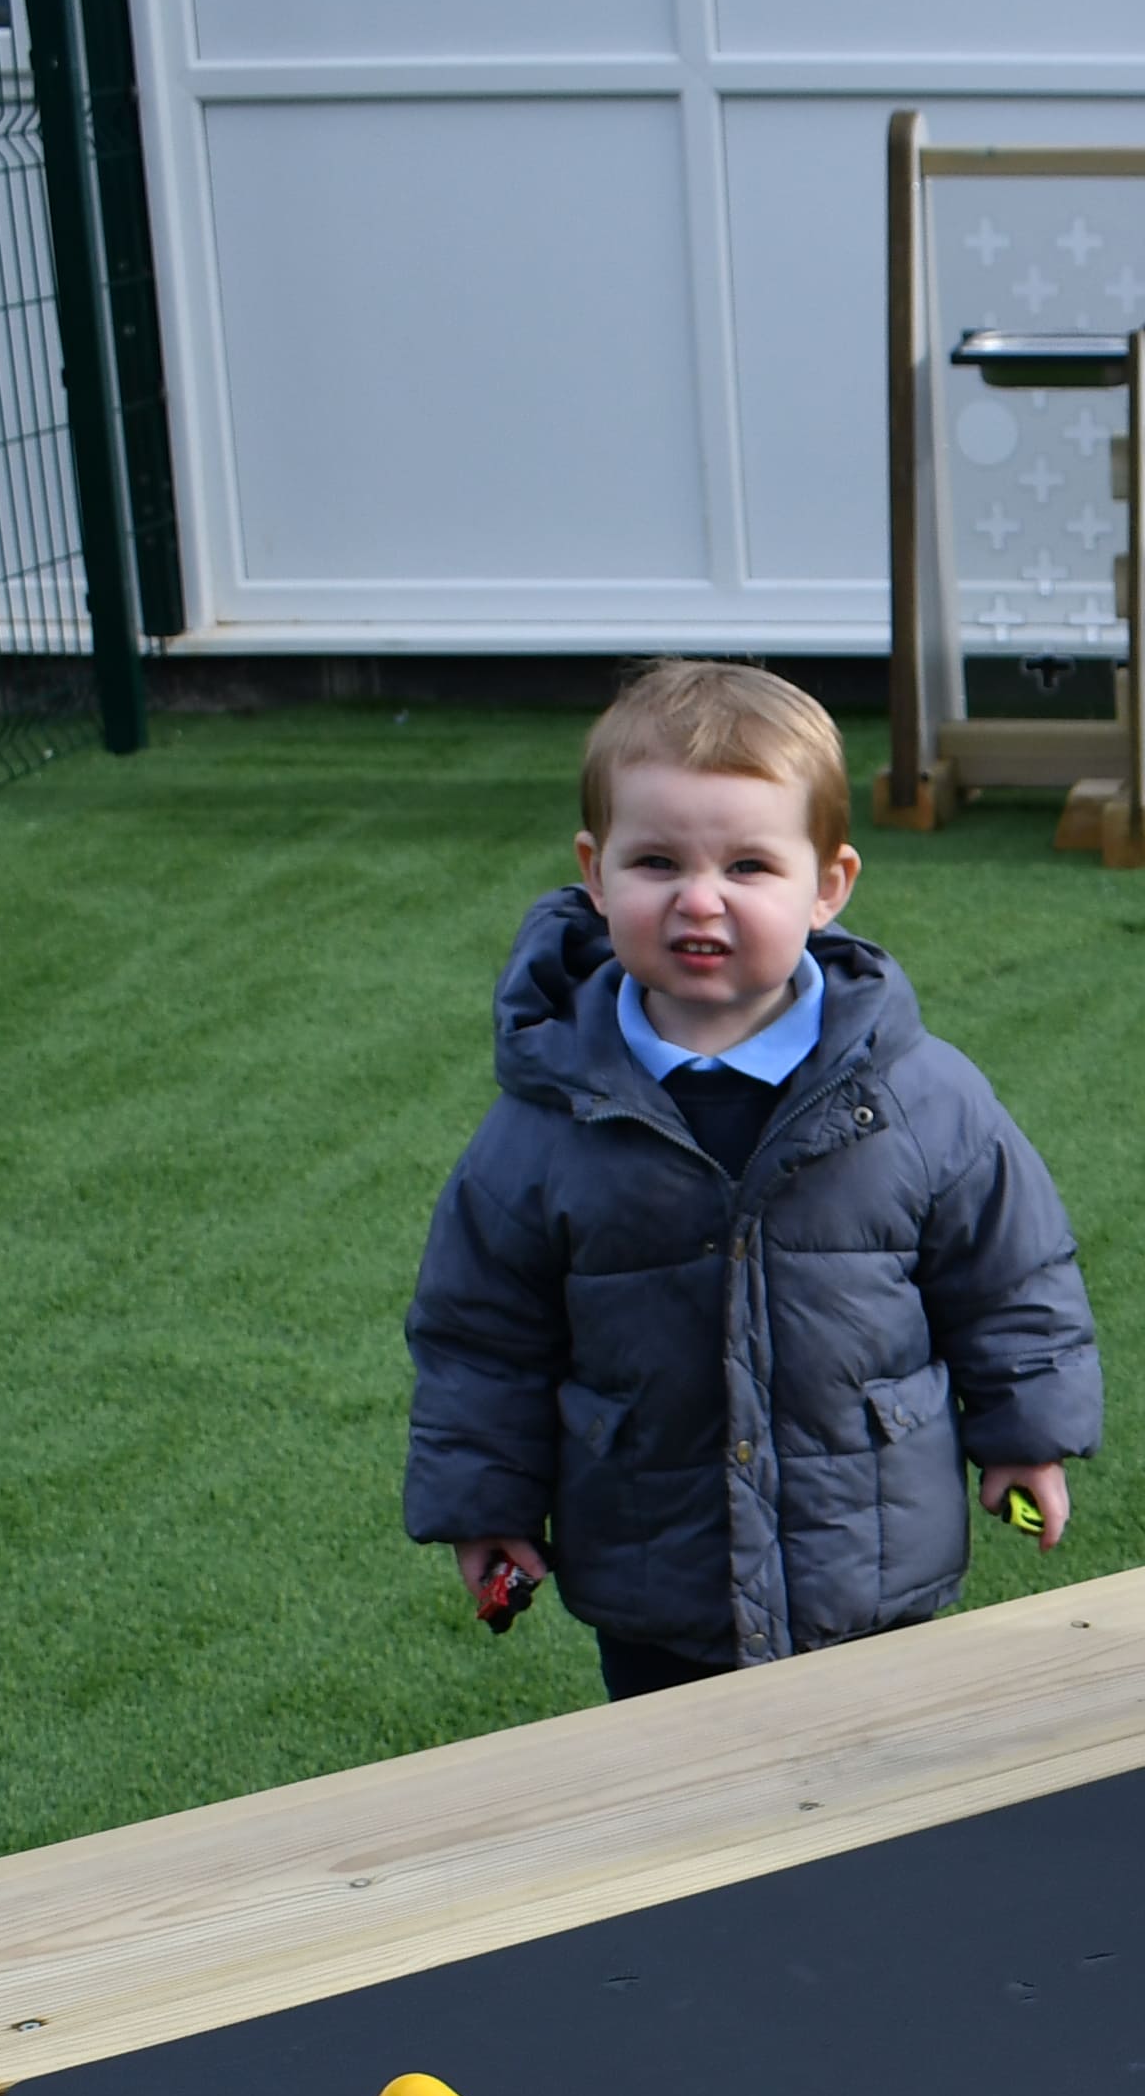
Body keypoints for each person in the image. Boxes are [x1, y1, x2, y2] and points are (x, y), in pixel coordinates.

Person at [409, 662, 1098, 1698]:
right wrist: (489, 1504)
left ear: (828, 885)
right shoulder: (547, 1122)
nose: (699, 899)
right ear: (594, 876)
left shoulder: (919, 1095)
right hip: (657, 1564)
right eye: (655, 862)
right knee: (697, 1814)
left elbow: (1011, 1272)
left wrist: (1026, 1435)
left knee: (880, 1807)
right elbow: (483, 1334)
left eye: (747, 866)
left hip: (871, 1556)